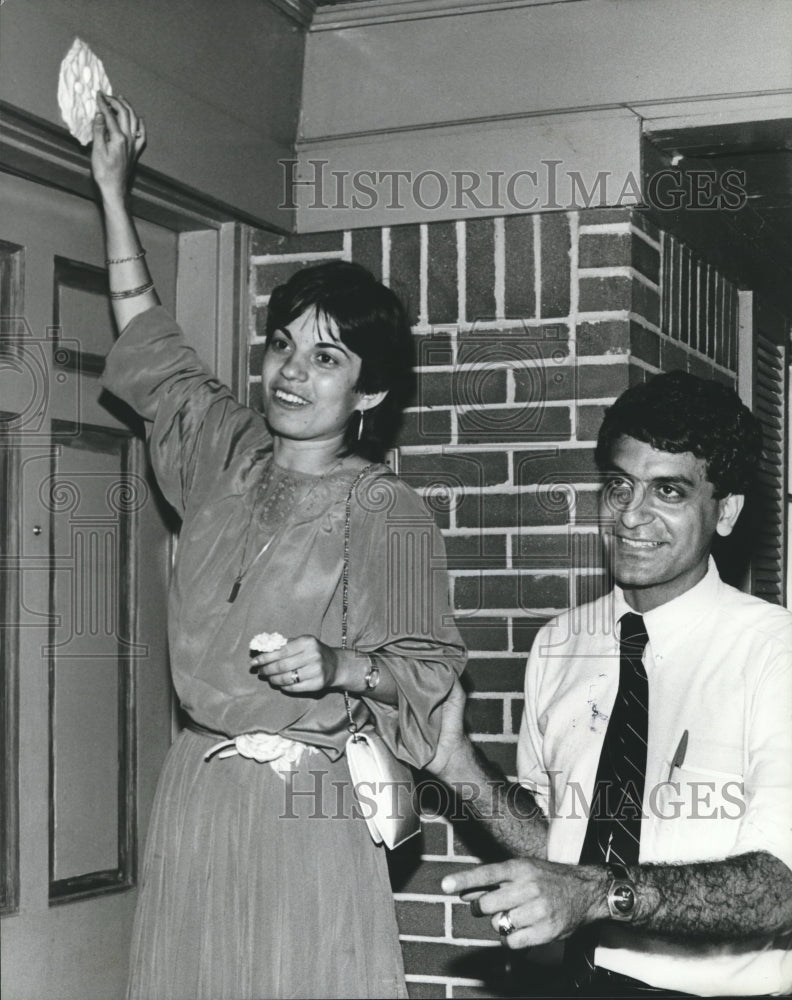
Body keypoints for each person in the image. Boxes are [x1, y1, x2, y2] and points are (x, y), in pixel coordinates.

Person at [91, 94, 466, 1000]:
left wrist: (338, 663)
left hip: (307, 804)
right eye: (284, 346)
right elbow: (151, 341)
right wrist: (112, 187)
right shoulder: (222, 448)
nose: (293, 371)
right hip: (200, 785)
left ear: (369, 393)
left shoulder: (387, 509)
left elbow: (425, 668)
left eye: (327, 358)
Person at [428, 371, 792, 997]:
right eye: (619, 486)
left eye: (669, 491)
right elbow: (558, 841)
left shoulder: (772, 652)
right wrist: (457, 764)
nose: (631, 515)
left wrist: (598, 894)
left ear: (725, 511)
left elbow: (779, 888)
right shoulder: (559, 643)